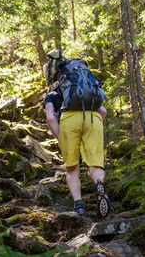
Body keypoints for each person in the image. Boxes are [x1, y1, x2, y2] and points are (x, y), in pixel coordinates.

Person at [42, 59, 111, 217]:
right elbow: (104, 111)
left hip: (69, 120)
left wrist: (61, 139)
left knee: (72, 169)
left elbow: (51, 119)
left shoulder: (52, 95)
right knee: (95, 165)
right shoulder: (84, 88)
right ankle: (99, 184)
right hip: (93, 117)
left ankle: (78, 205)